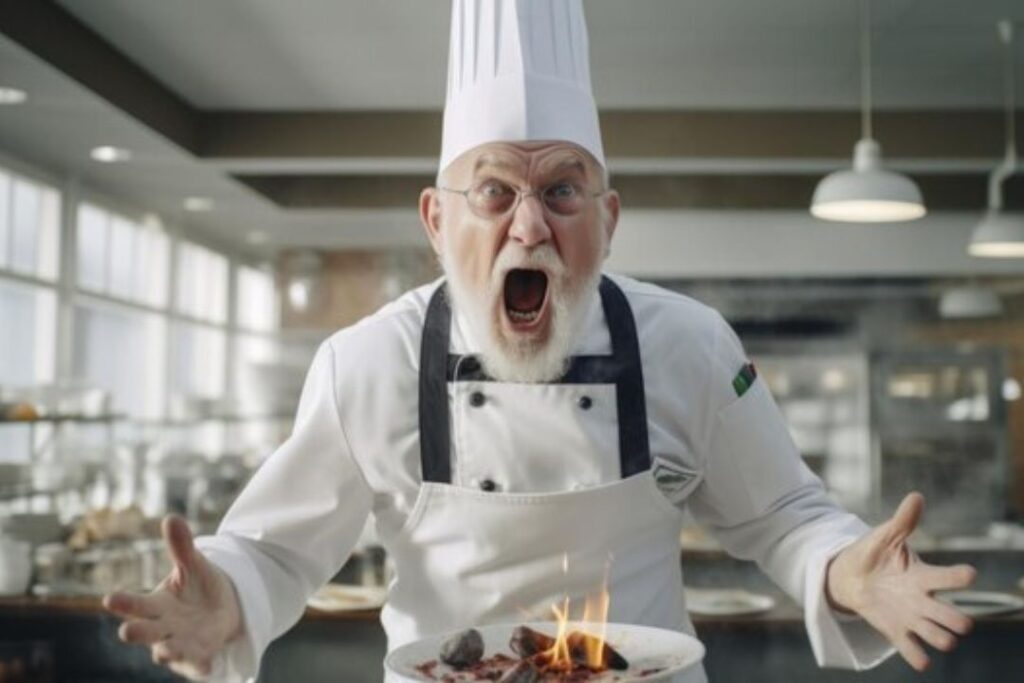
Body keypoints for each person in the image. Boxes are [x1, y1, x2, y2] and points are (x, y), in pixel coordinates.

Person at [103, 1, 976, 681]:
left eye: (564, 191)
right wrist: (224, 593)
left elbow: (783, 516)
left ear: (608, 219)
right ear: (437, 221)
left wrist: (844, 569)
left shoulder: (691, 346)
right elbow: (271, 550)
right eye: (494, 193)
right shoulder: (366, 364)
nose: (529, 227)